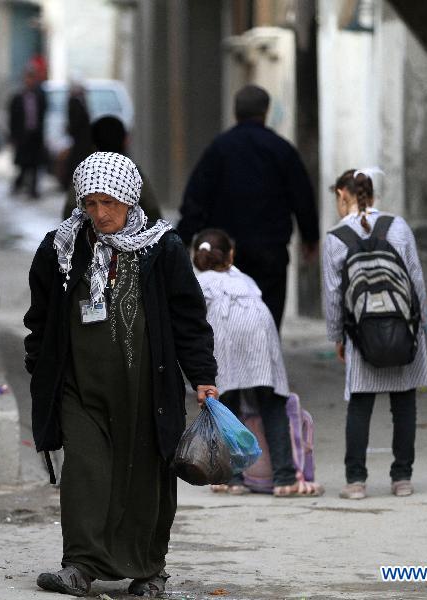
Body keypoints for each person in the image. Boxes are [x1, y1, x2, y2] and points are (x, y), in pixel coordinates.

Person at [24, 152, 218, 597]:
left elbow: (188, 318)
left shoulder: (162, 248)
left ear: (130, 199)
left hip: (148, 391)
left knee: (147, 478)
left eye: (109, 202)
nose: (99, 213)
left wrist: (202, 376)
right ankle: (79, 566)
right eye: (90, 204)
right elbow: (41, 319)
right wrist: (42, 372)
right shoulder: (61, 248)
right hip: (82, 389)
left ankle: (150, 569)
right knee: (85, 473)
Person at [322, 169, 427, 500]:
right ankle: (402, 479)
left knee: (360, 405)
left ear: (343, 195)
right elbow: (415, 279)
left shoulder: (336, 238)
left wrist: (338, 336)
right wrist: (419, 325)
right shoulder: (399, 227)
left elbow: (333, 294)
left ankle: (356, 482)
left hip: (362, 335)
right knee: (404, 402)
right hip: (404, 330)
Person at [192, 228, 323, 497]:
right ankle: (285, 478)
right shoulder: (243, 278)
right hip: (260, 332)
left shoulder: (199, 282)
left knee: (228, 405)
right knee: (272, 403)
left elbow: (192, 323)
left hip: (227, 335)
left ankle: (234, 478)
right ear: (231, 254)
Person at [176, 84, 319, 330]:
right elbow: (302, 196)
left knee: (226, 318)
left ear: (235, 112)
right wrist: (310, 238)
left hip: (225, 253)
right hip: (270, 252)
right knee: (268, 320)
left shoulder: (218, 149)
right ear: (265, 111)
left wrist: (184, 238)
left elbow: (197, 198)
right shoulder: (281, 150)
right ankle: (264, 363)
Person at [61, 115, 162, 223]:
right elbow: (154, 215)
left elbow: (68, 215)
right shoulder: (134, 174)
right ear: (125, 141)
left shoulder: (84, 174)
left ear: (93, 144)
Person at [8, 66, 47, 198]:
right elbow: (13, 118)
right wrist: (13, 136)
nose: (30, 80)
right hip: (23, 136)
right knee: (24, 165)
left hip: (36, 135)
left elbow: (43, 114)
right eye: (28, 78)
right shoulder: (18, 98)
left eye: (32, 78)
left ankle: (34, 190)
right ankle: (17, 184)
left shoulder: (40, 96)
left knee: (35, 164)